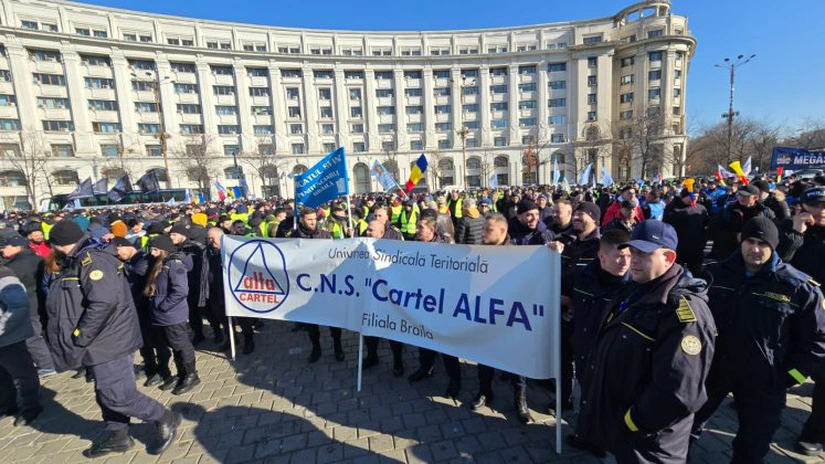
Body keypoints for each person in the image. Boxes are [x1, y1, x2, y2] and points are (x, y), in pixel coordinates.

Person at [577, 221, 716, 463]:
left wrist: (632, 421)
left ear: (668, 257)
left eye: (644, 253)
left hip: (648, 444)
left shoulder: (683, 315)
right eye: (633, 252)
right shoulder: (635, 288)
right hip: (621, 432)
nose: (634, 259)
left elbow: (679, 393)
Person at [691, 217, 825, 462]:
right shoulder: (715, 275)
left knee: (753, 443)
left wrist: (790, 377)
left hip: (765, 379)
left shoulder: (797, 287)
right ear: (741, 240)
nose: (755, 249)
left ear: (773, 246)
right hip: (714, 371)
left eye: (762, 243)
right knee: (686, 428)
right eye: (750, 241)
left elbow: (817, 340)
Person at [44, 220, 181, 457]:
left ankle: (164, 417)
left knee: (118, 395)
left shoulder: (92, 261)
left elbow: (103, 302)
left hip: (108, 340)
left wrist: (80, 335)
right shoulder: (78, 260)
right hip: (99, 342)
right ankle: (118, 436)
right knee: (106, 392)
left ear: (58, 244)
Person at [565, 229, 631, 456]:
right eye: (619, 256)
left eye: (630, 256)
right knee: (587, 396)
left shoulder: (634, 286)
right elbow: (561, 292)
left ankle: (605, 440)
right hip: (584, 351)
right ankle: (588, 437)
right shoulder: (581, 276)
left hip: (613, 358)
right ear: (602, 257)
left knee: (609, 401)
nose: (626, 262)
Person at [776, 185, 825, 454]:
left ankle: (815, 431)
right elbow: (776, 263)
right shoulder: (787, 228)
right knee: (786, 363)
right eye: (815, 206)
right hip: (790, 311)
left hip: (822, 317)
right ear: (802, 207)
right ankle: (771, 394)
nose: (821, 211)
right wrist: (795, 233)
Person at [407, 218, 462, 398]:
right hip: (423, 300)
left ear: (432, 230)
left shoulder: (446, 244)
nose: (417, 230)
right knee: (423, 337)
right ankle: (426, 368)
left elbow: (457, 269)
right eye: (418, 227)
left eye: (421, 227)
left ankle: (455, 379)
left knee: (446, 344)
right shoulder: (416, 244)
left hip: (442, 302)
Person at [145, 235, 200, 395]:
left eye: (155, 249)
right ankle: (181, 373)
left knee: (181, 345)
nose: (152, 253)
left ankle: (192, 375)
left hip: (172, 314)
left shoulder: (174, 265)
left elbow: (181, 291)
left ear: (164, 249)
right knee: (173, 345)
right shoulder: (161, 263)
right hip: (162, 315)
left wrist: (163, 306)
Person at [287, 208, 344, 363]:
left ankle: (338, 346)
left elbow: (335, 256)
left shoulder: (325, 235)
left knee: (333, 320)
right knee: (311, 322)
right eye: (309, 219)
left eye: (314, 219)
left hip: (325, 284)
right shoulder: (294, 237)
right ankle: (316, 348)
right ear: (301, 220)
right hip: (305, 286)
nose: (313, 222)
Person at [0, 231, 56, 377]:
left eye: (5, 246)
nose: (2, 249)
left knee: (32, 337)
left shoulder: (14, 266)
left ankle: (46, 365)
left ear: (17, 247)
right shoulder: (39, 259)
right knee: (43, 332)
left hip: (29, 305)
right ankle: (51, 360)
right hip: (42, 301)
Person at [112, 237, 162, 387]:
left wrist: (122, 269)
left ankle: (161, 370)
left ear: (126, 246)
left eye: (118, 251)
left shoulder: (143, 258)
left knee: (155, 340)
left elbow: (140, 274)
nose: (118, 255)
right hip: (133, 306)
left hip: (147, 306)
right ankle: (149, 365)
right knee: (142, 341)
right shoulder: (125, 262)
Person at [0, 265, 42, 426]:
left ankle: (31, 407)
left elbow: (18, 306)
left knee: (22, 374)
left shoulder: (4, 276)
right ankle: (8, 405)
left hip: (9, 337)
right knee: (2, 375)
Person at [361, 220, 404, 376]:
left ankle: (398, 362)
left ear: (381, 233)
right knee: (369, 331)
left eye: (371, 230)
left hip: (387, 297)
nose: (367, 232)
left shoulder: (391, 248)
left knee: (391, 331)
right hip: (369, 296)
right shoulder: (362, 245)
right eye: (367, 229)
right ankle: (372, 356)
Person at [206, 227, 255, 355]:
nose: (210, 241)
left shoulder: (232, 251)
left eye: (213, 238)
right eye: (208, 239)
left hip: (233, 291)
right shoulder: (207, 253)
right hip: (216, 291)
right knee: (223, 319)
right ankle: (231, 339)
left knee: (242, 319)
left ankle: (249, 340)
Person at [169, 224, 216, 346]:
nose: (171, 237)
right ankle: (198, 333)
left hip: (198, 284)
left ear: (182, 235)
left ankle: (217, 331)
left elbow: (204, 265)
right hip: (185, 285)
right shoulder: (173, 248)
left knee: (207, 310)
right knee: (192, 312)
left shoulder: (196, 247)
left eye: (174, 234)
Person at [708, 184, 775, 261]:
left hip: (755, 255)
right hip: (729, 256)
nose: (742, 197)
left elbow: (775, 234)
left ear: (756, 197)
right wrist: (735, 236)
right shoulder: (727, 211)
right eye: (740, 194)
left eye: (746, 195)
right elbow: (712, 232)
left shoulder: (766, 212)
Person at [663, 189, 709, 277]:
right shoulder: (672, 208)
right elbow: (666, 225)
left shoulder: (701, 208)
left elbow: (706, 224)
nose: (695, 199)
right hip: (678, 247)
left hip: (696, 248)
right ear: (684, 196)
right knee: (675, 273)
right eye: (692, 196)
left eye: (697, 196)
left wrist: (704, 240)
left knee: (696, 272)